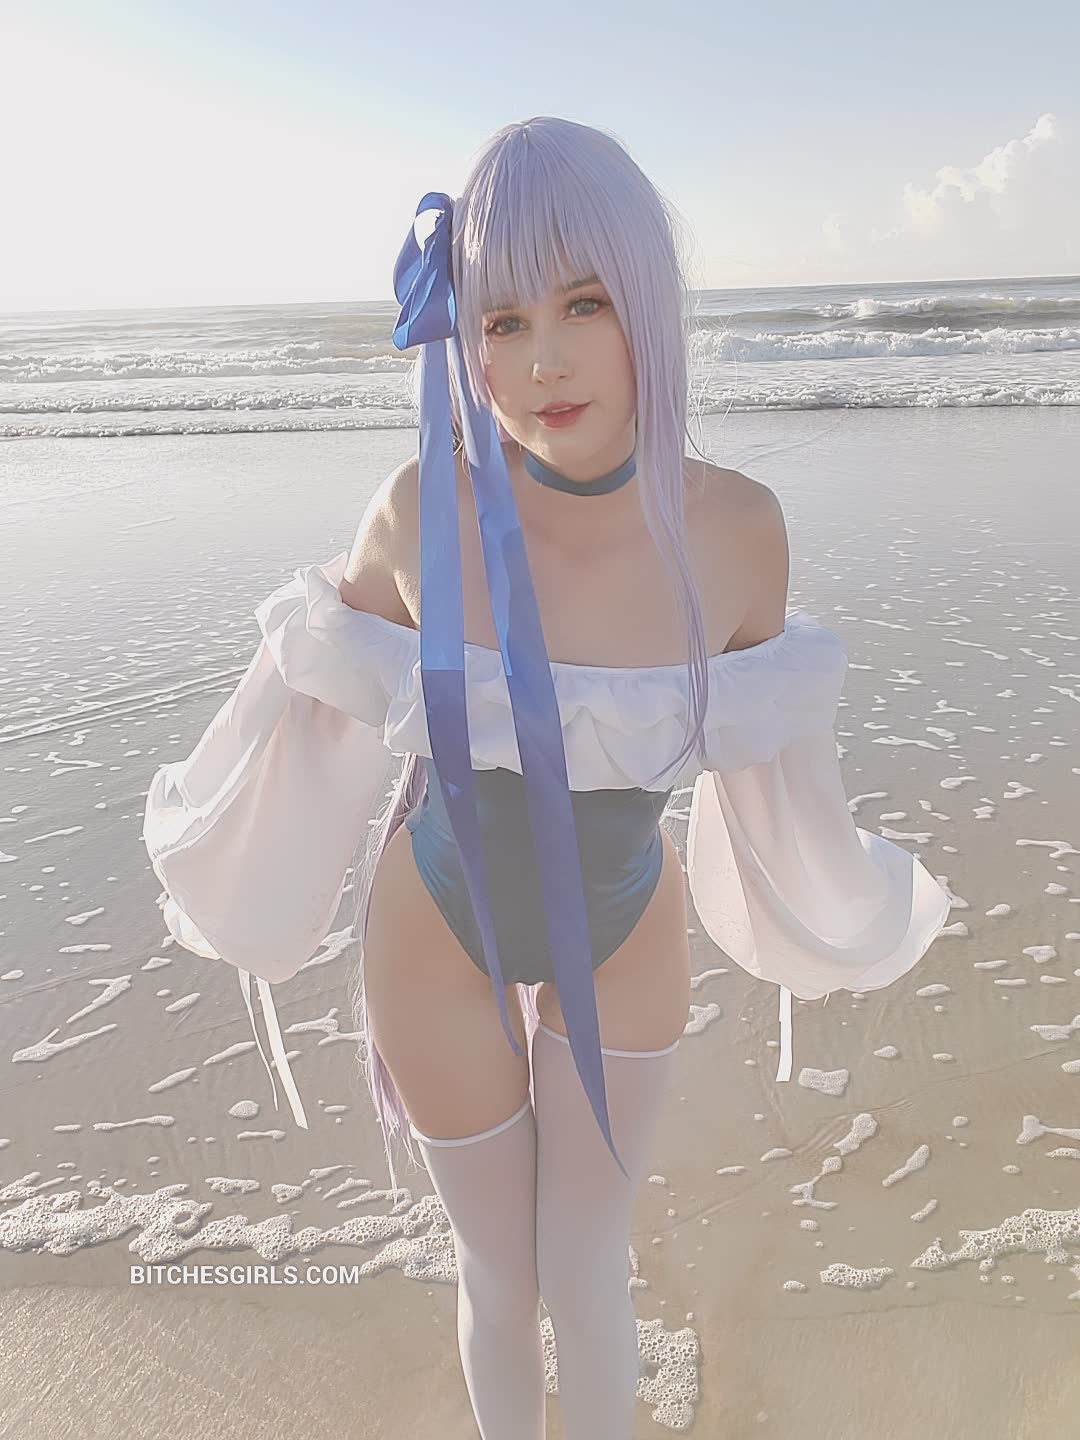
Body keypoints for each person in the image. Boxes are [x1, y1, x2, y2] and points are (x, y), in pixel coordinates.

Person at [143, 117, 951, 1439]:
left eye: (585, 303)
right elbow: (312, 706)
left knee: (585, 1265)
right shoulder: (418, 509)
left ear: (649, 303)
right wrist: (240, 865)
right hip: (433, 925)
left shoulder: (740, 531)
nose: (545, 360)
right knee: (500, 1271)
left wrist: (834, 905)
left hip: (627, 925)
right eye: (502, 320)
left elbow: (771, 778)